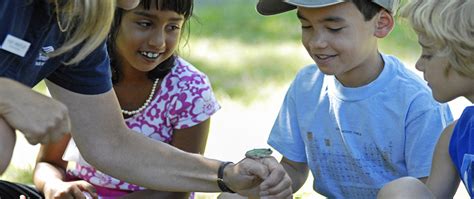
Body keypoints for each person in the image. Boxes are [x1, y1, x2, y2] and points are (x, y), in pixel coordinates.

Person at [0, 0, 292, 198]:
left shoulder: (79, 25)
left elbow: (109, 142)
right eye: (144, 23)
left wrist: (227, 174)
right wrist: (8, 93)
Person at [255, 0, 453, 198]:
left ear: (381, 24)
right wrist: (276, 183)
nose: (316, 42)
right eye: (306, 26)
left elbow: (426, 191)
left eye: (334, 28)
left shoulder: (418, 102)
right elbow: (293, 167)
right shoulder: (306, 84)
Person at [33, 0, 219, 198]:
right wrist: (53, 185)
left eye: (172, 27)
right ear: (111, 19)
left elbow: (179, 189)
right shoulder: (80, 75)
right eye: (145, 24)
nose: (158, 41)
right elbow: (48, 163)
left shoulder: (189, 89)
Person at [377, 0, 474, 198]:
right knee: (401, 191)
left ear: (468, 56)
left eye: (428, 54)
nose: (419, 65)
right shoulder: (455, 136)